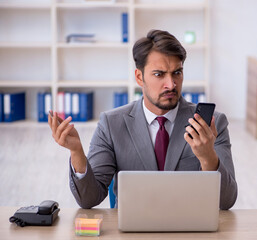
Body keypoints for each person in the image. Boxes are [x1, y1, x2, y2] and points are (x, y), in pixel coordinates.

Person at [48, 29, 237, 210]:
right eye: (159, 74)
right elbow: (89, 199)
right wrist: (76, 152)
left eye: (177, 73)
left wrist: (207, 157)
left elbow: (226, 201)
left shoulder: (212, 124)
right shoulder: (111, 124)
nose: (171, 84)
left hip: (192, 229)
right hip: (133, 229)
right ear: (139, 77)